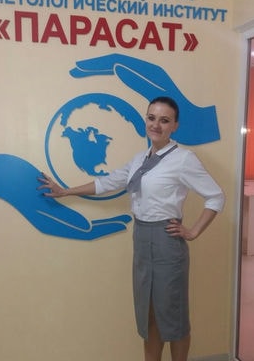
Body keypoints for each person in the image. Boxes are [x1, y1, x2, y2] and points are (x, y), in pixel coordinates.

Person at [38, 96, 225, 361]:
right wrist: (65, 191)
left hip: (166, 242)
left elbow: (216, 196)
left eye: (164, 120)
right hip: (141, 240)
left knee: (173, 315)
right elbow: (107, 182)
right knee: (148, 314)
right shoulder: (139, 159)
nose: (156, 125)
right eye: (151, 118)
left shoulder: (184, 159)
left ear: (175, 126)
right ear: (145, 120)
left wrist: (193, 232)